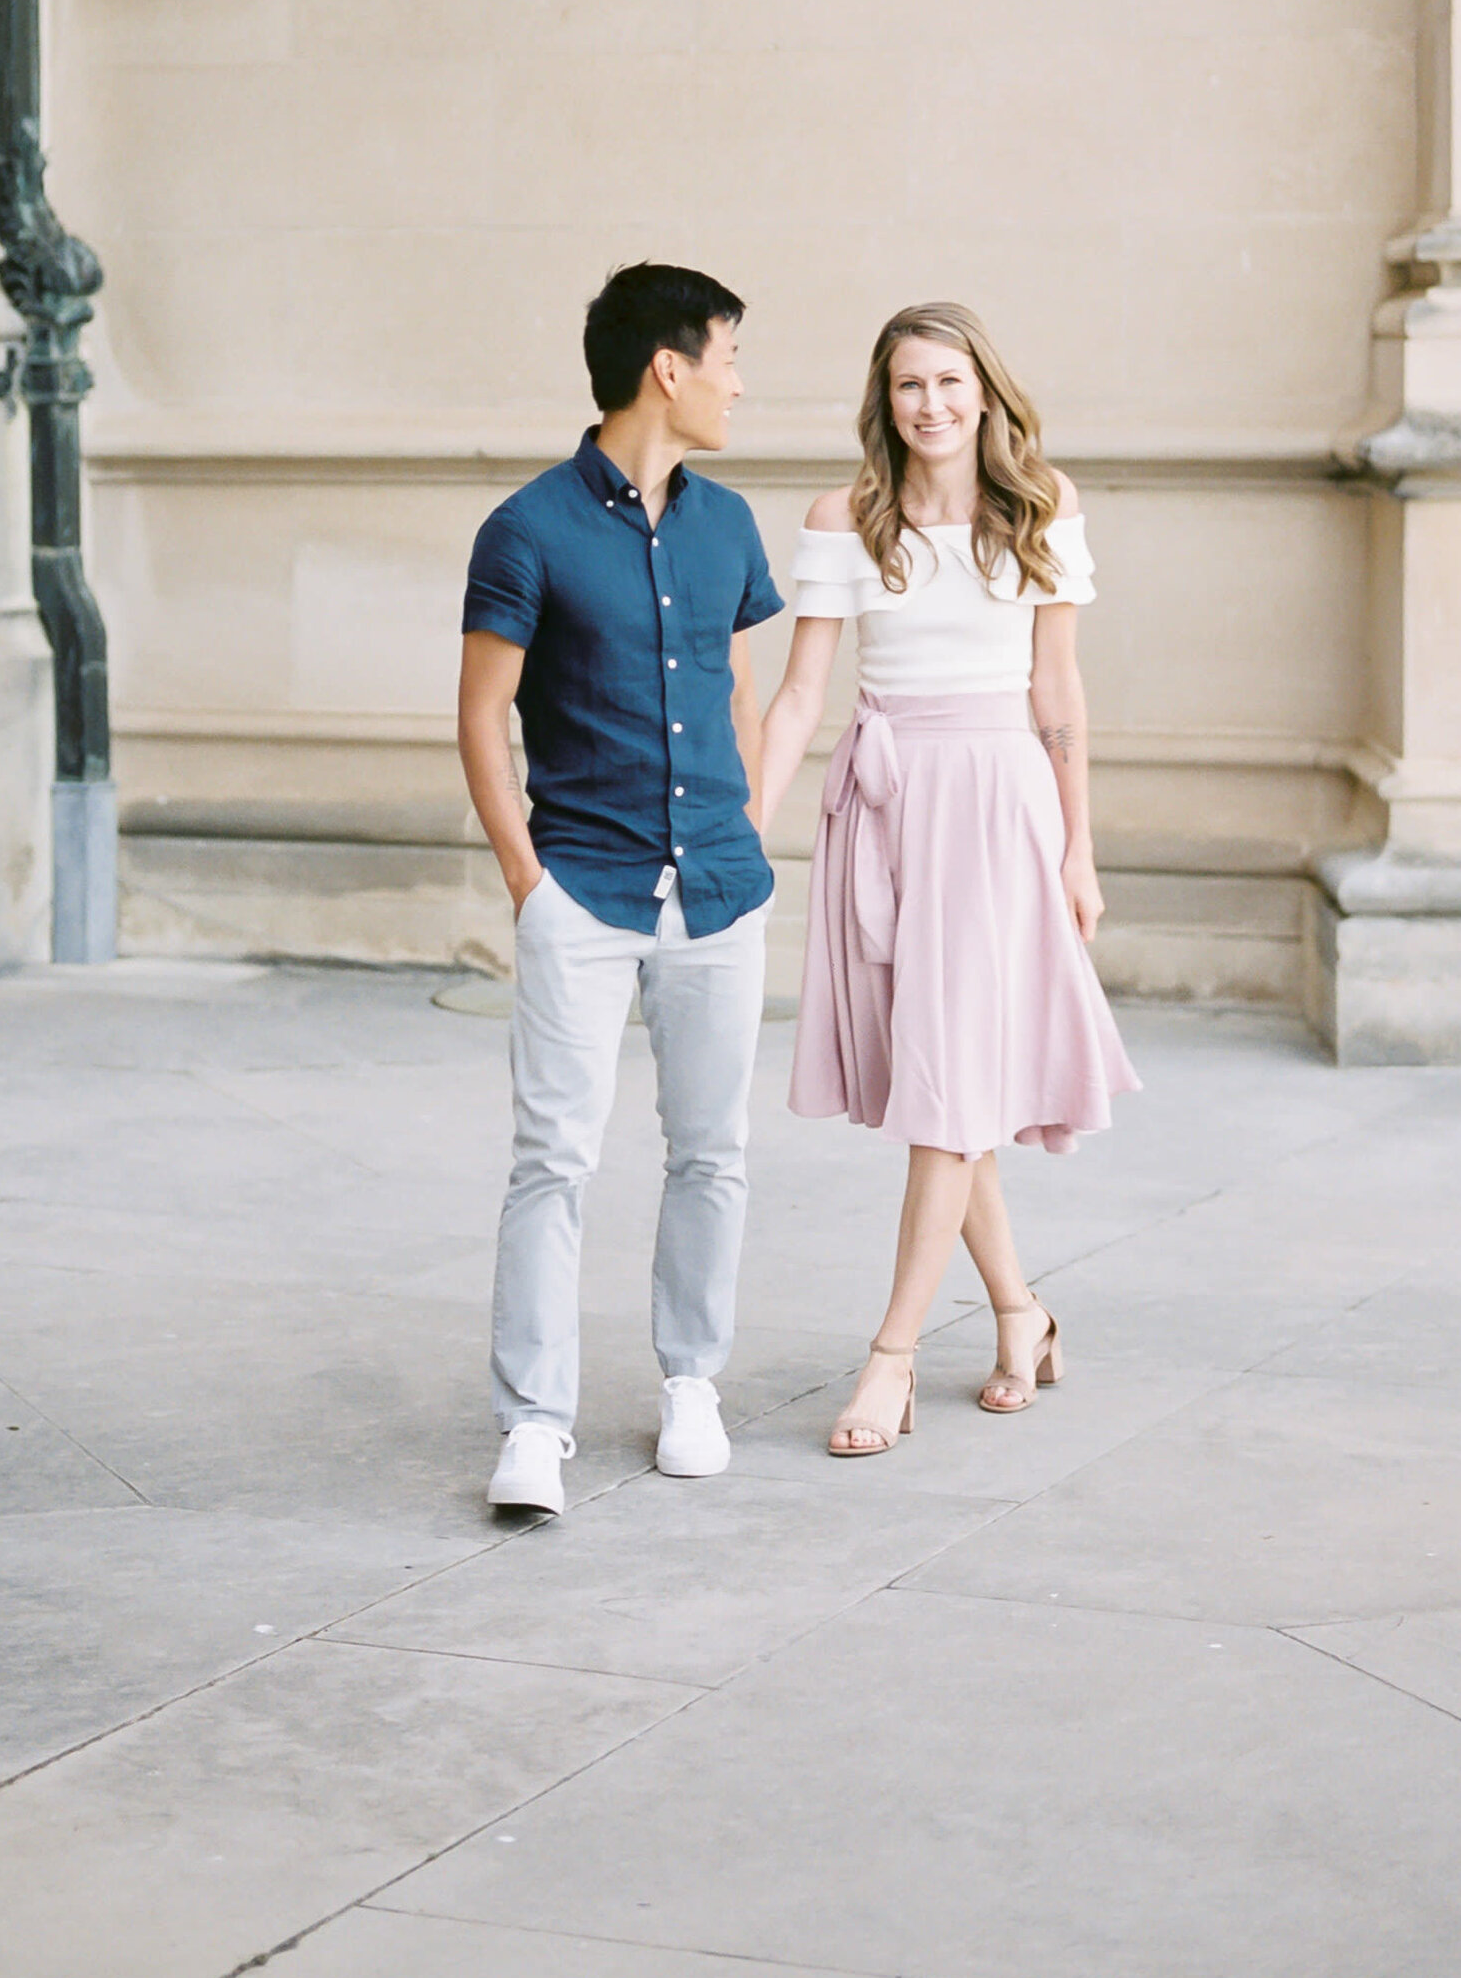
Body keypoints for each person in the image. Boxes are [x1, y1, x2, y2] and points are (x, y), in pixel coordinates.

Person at [757, 302, 1138, 1457]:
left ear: (985, 391)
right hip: (885, 806)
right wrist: (740, 826)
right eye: (910, 385)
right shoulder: (844, 521)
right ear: (885, 402)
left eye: (950, 382)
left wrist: (1078, 848)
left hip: (999, 807)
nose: (932, 404)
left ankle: (892, 1358)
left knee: (947, 1085)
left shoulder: (1042, 507)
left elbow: (1057, 695)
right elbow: (796, 697)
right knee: (945, 1083)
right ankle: (1022, 1316)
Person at [458, 264, 783, 1516]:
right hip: (581, 892)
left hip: (717, 889)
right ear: (669, 366)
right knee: (554, 1157)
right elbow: (484, 722)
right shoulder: (527, 530)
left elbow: (733, 693)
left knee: (713, 1152)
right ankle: (535, 1424)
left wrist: (742, 825)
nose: (740, 383)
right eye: (730, 357)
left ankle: (691, 1383)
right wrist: (528, 884)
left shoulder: (728, 527)